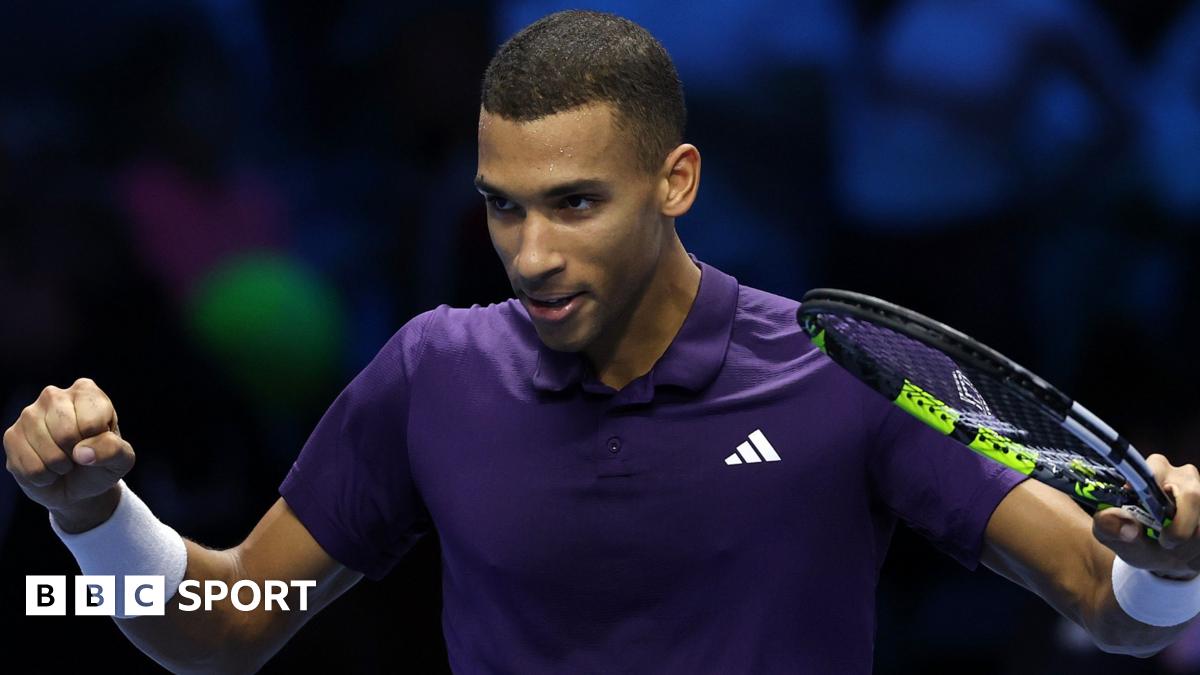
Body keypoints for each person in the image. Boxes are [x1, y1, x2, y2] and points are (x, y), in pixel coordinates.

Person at [5, 10, 1200, 674]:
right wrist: (92, 521)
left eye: (575, 203)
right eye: (502, 204)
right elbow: (223, 630)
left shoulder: (842, 372)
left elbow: (1110, 605)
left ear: (675, 180)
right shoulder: (433, 373)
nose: (528, 253)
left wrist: (1168, 566)